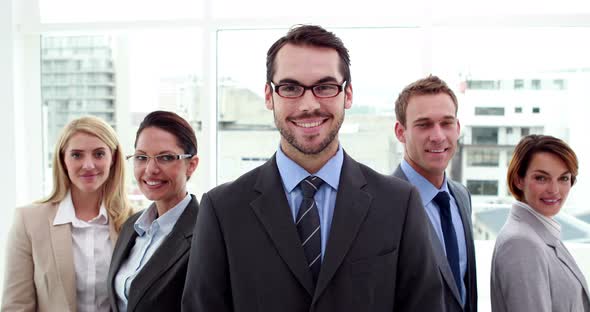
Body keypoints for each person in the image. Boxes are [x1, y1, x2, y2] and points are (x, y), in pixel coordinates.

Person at [182, 24, 443, 311]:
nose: (309, 104)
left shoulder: (399, 204)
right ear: (269, 96)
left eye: (325, 87)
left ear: (349, 94)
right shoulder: (223, 209)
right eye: (291, 88)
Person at [2, 116, 132, 312]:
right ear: (63, 159)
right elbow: (16, 305)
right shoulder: (29, 221)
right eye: (77, 155)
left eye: (99, 154)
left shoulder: (134, 222)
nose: (88, 165)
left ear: (113, 158)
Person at [393, 75, 478, 312]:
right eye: (424, 124)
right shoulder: (381, 204)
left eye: (447, 123)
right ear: (401, 132)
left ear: (458, 128)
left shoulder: (461, 196)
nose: (438, 136)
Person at [107, 111, 199, 312]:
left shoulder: (205, 233)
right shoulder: (132, 225)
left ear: (191, 165)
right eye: (141, 157)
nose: (150, 169)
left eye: (165, 157)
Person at [490, 134, 590, 312]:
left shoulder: (540, 233)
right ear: (519, 180)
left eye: (563, 178)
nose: (554, 190)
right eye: (541, 178)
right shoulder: (521, 243)